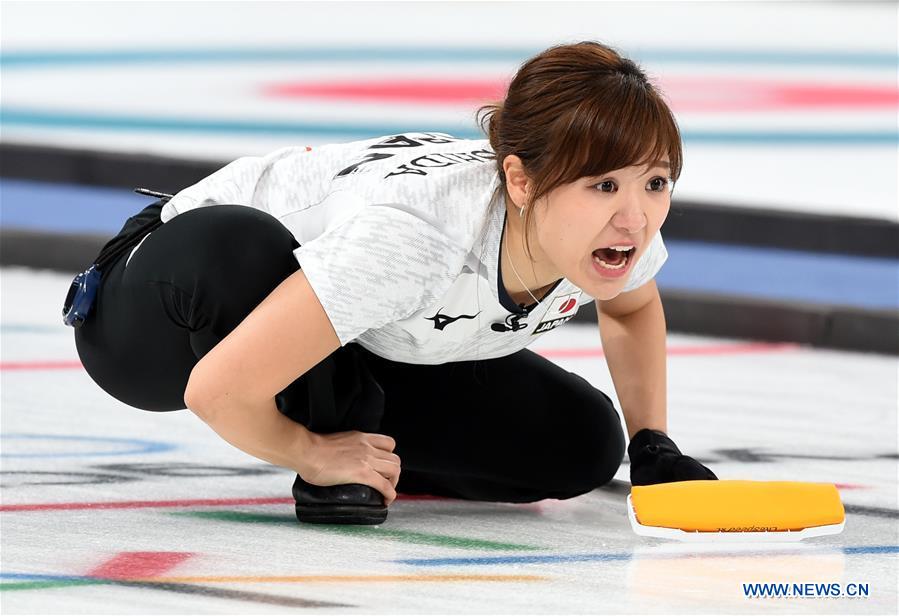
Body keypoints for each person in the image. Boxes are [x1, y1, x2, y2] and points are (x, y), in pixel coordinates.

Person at [69, 41, 716, 526]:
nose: (634, 216)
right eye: (602, 185)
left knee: (579, 446)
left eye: (654, 182)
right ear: (520, 181)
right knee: (240, 245)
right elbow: (217, 390)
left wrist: (650, 442)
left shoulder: (619, 231)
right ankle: (326, 462)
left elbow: (630, 310)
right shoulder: (418, 234)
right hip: (155, 314)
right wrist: (309, 452)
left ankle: (363, 445)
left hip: (348, 323)